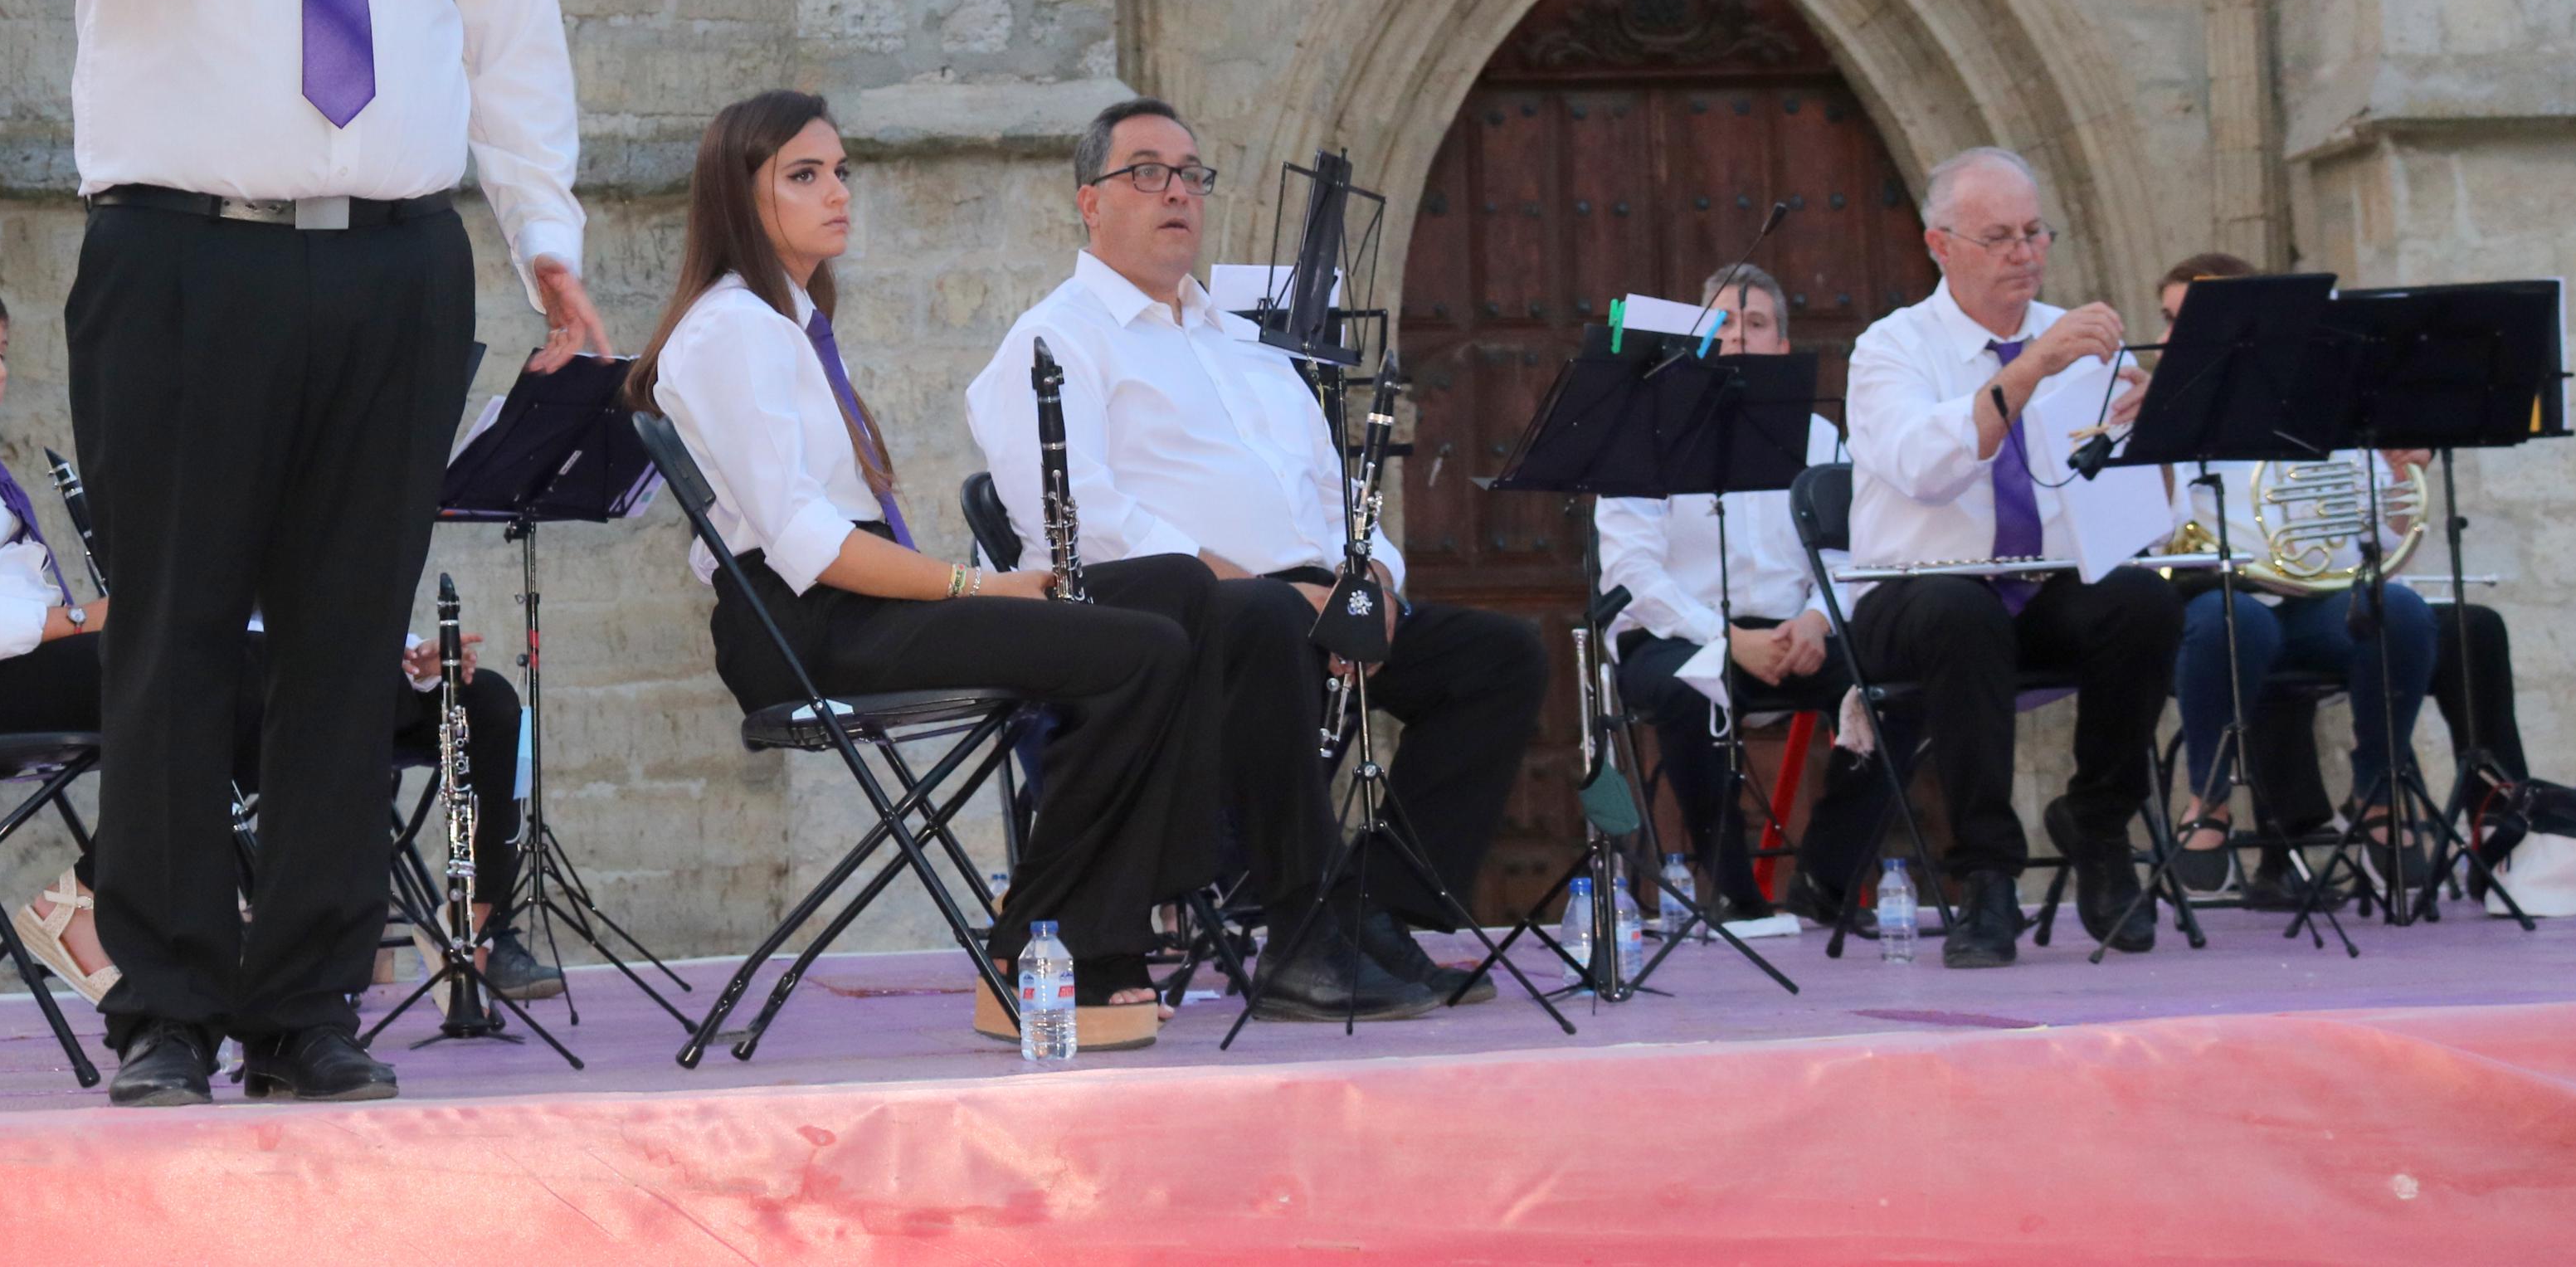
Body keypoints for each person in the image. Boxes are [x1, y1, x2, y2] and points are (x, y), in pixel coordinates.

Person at [24, 0, 603, 1107]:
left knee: (356, 649)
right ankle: (164, 1009)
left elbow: (509, 44)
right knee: (178, 638)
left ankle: (306, 1012)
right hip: (183, 255)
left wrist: (541, 236)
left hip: (392, 263)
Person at [635, 90, 1222, 1051]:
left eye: (841, 172)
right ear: (738, 197)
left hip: (853, 604)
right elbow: (808, 542)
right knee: (1138, 650)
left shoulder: (789, 320)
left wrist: (969, 587)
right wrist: (978, 584)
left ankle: (1119, 908)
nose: (837, 194)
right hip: (804, 626)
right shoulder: (729, 329)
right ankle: (1043, 945)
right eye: (804, 175)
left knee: (1177, 588)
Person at [0, 266, 558, 1015]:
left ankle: (464, 927)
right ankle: (101, 903)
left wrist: (391, 658)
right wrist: (90, 619)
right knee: (209, 673)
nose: (0, 370)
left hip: (16, 664)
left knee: (468, 698)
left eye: (3, 349)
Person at [967, 98, 1545, 1009]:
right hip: (1160, 615)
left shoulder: (1251, 348)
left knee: (1496, 655)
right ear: (1089, 201)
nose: (1176, 192)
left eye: (1191, 174)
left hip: (1308, 601)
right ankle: (1298, 934)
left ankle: (1373, 910)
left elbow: (1328, 492)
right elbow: (1075, 513)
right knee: (1270, 615)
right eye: (1146, 171)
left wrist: (1375, 576)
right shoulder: (1054, 338)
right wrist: (1251, 582)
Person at [1841, 147, 2179, 967]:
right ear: (1939, 245)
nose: (2023, 253)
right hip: (1910, 596)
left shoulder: (2078, 340)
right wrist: (2030, 369)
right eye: (1997, 236)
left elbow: (2143, 525)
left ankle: (2097, 823)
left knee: (2141, 599)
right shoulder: (1890, 348)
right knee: (1959, 611)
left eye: (2034, 233)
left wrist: (2151, 433)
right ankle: (1984, 873)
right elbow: (1924, 469)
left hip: (2035, 592)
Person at [1595, 261, 1890, 924]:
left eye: (1754, 324)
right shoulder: (1649, 433)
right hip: (1675, 634)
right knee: (1684, 685)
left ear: (1780, 346)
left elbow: (1853, 553)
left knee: (1898, 684)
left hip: (1797, 634)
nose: (1736, 339)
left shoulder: (1819, 438)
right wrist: (1725, 639)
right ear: (1698, 341)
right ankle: (1734, 893)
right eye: (1721, 325)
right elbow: (1633, 573)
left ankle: (1826, 876)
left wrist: (1816, 620)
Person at [2149, 253, 2438, 905]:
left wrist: (2401, 476)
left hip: (2316, 602)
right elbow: (2136, 540)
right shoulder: (2155, 410)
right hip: (2211, 604)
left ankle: (2375, 787)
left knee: (2402, 609)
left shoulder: (2326, 404)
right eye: (2168, 320)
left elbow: (2385, 543)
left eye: (2188, 321)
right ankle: (2210, 796)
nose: (2169, 338)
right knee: (2236, 618)